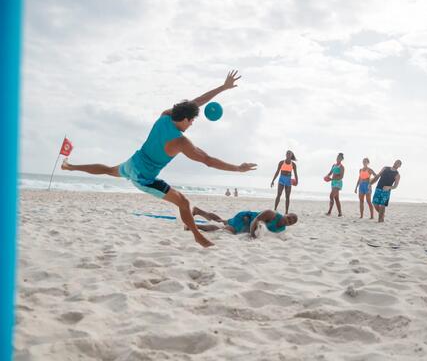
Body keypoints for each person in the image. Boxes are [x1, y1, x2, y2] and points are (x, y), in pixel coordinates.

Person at [61, 70, 256, 248]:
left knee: (109, 170)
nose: (193, 123)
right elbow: (208, 160)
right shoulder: (181, 142)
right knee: (183, 202)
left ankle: (70, 167)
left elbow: (194, 103)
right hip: (144, 178)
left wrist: (223, 87)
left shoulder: (165, 116)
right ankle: (197, 235)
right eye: (193, 120)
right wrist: (238, 168)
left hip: (133, 163)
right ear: (186, 119)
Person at [191, 207, 298, 237]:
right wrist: (252, 235)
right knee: (226, 230)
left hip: (248, 225)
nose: (288, 221)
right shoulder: (271, 214)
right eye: (289, 218)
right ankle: (193, 226)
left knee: (222, 221)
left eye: (291, 222)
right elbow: (255, 221)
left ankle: (198, 211)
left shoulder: (282, 228)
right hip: (245, 218)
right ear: (285, 214)